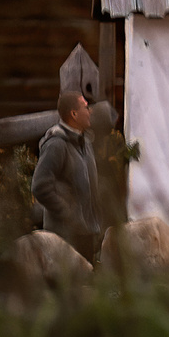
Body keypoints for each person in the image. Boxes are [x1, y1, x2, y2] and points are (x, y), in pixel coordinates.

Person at [32, 89, 102, 259]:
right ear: (74, 114)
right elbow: (40, 187)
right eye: (86, 107)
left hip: (86, 235)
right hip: (64, 238)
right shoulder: (56, 145)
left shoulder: (86, 143)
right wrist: (68, 214)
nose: (90, 111)